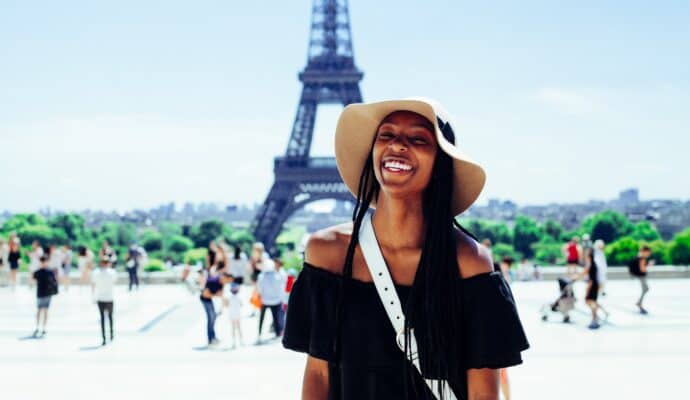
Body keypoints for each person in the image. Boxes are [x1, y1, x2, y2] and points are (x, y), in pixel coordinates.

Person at [282, 98, 529, 399]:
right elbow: (318, 374)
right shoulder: (327, 254)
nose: (397, 144)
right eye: (386, 135)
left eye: (417, 138)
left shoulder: (469, 262)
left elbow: (481, 394)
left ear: (441, 162)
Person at [576, 248, 609, 329]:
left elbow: (589, 276)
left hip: (592, 285)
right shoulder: (594, 264)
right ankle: (600, 315)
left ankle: (595, 319)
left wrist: (588, 288)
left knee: (590, 301)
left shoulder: (591, 265)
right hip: (595, 285)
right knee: (591, 301)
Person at [199, 269, 232, 348]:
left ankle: (213, 337)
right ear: (224, 277)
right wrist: (216, 295)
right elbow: (205, 294)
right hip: (205, 300)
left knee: (213, 318)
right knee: (211, 318)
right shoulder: (213, 281)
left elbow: (221, 295)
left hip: (209, 299)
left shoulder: (222, 284)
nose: (228, 282)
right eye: (228, 280)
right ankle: (210, 339)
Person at [91, 256, 117, 345]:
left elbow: (93, 285)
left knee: (102, 318)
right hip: (109, 297)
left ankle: (104, 338)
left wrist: (93, 296)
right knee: (110, 317)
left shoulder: (96, 273)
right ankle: (111, 334)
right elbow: (114, 282)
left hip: (100, 297)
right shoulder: (112, 272)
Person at [32, 254, 58, 337]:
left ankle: (43, 328)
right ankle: (39, 327)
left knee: (44, 310)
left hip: (45, 294)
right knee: (40, 311)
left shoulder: (46, 272)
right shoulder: (45, 272)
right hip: (41, 293)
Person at [630, 245, 653, 314]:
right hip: (641, 276)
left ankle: (639, 302)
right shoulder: (642, 258)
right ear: (645, 252)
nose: (649, 254)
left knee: (646, 289)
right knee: (646, 289)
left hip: (639, 276)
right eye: (648, 253)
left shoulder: (638, 256)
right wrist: (649, 265)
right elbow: (642, 269)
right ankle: (639, 302)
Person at [226, 282, 244, 348]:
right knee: (239, 328)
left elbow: (227, 305)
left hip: (232, 315)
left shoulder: (229, 298)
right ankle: (241, 341)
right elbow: (241, 304)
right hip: (238, 314)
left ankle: (234, 342)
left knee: (233, 328)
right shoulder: (238, 297)